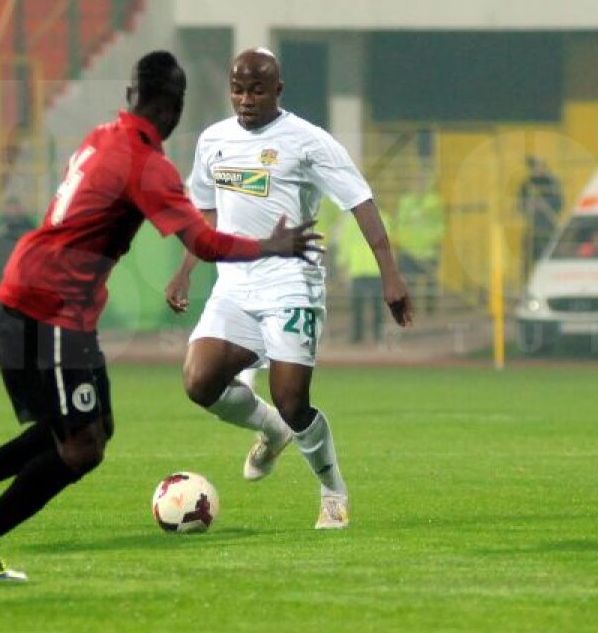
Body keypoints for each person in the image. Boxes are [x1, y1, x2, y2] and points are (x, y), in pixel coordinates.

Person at [0, 51, 320, 582]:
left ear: (131, 95)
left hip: (44, 302)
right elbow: (202, 240)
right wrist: (271, 244)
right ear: (174, 108)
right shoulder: (145, 163)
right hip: (49, 308)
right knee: (81, 447)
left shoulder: (103, 135)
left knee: (89, 428)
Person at [165, 48, 412, 530]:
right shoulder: (213, 140)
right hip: (234, 284)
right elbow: (208, 213)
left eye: (257, 89)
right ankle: (270, 431)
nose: (246, 98)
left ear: (278, 90)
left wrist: (390, 272)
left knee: (292, 399)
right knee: (199, 381)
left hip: (291, 284)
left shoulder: (308, 142)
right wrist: (187, 267)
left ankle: (333, 489)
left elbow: (360, 199)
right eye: (238, 88)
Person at [338, 210, 389, 344]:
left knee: (377, 304)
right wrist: (342, 265)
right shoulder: (351, 223)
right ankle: (358, 334)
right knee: (357, 304)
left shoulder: (383, 219)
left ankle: (378, 333)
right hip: (358, 268)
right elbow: (345, 245)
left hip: (375, 269)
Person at [395, 173, 444, 312]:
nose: (418, 186)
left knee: (430, 283)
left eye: (421, 183)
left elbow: (440, 225)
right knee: (410, 283)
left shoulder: (434, 201)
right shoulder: (405, 202)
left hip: (428, 251)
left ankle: (430, 310)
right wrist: (404, 243)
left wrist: (431, 239)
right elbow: (400, 224)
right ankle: (412, 309)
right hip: (409, 251)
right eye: (416, 182)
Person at [518, 155, 562, 281]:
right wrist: (529, 206)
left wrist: (545, 206)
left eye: (538, 166)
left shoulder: (552, 183)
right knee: (527, 262)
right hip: (532, 229)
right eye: (533, 167)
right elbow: (520, 206)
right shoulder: (527, 184)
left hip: (549, 228)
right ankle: (528, 285)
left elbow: (559, 205)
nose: (536, 169)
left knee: (549, 259)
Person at [0, 196, 36, 280]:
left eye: (15, 207)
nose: (13, 210)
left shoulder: (27, 222)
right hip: (6, 262)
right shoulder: (1, 223)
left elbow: (33, 239)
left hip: (24, 262)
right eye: (11, 207)